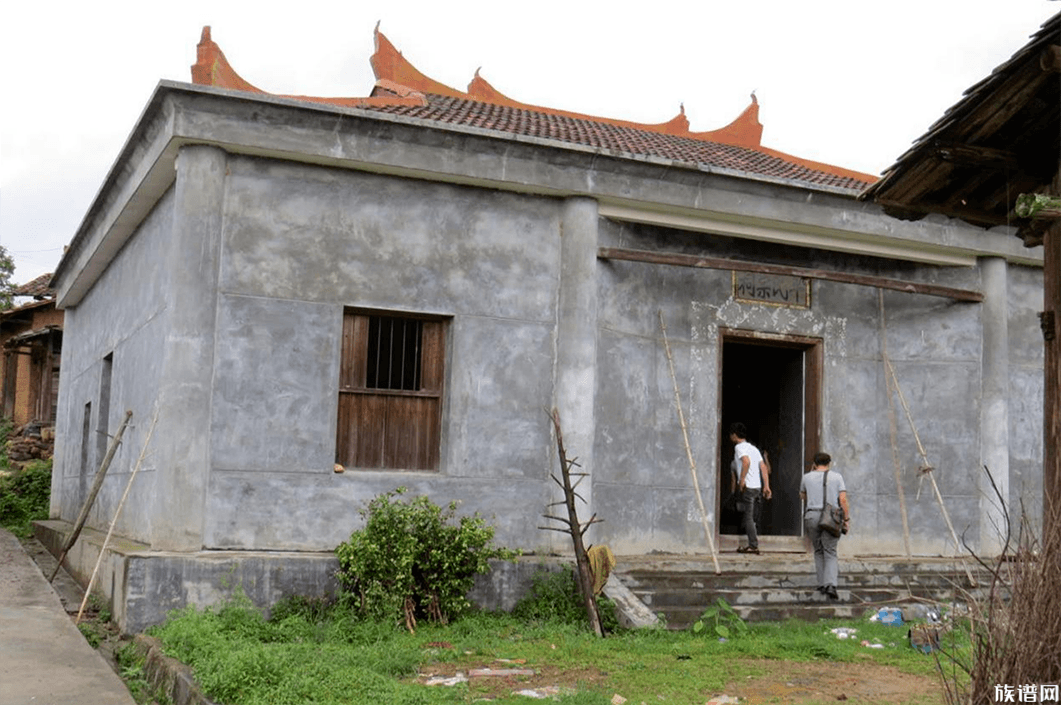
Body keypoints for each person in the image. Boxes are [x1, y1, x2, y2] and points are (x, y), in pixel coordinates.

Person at [799, 452, 850, 600]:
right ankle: (831, 584)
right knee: (830, 551)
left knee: (818, 550)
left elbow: (802, 496)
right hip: (830, 517)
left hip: (812, 515)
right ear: (829, 463)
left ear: (814, 463)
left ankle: (821, 583)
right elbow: (843, 499)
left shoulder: (806, 477)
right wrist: (846, 519)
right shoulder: (837, 477)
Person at [729, 423, 772, 554]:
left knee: (748, 517)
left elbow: (746, 462)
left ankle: (753, 545)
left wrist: (742, 480)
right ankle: (752, 543)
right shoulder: (754, 449)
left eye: (731, 435)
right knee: (753, 517)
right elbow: (763, 467)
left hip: (748, 487)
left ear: (734, 435)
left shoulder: (739, 447)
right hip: (757, 487)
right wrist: (766, 486)